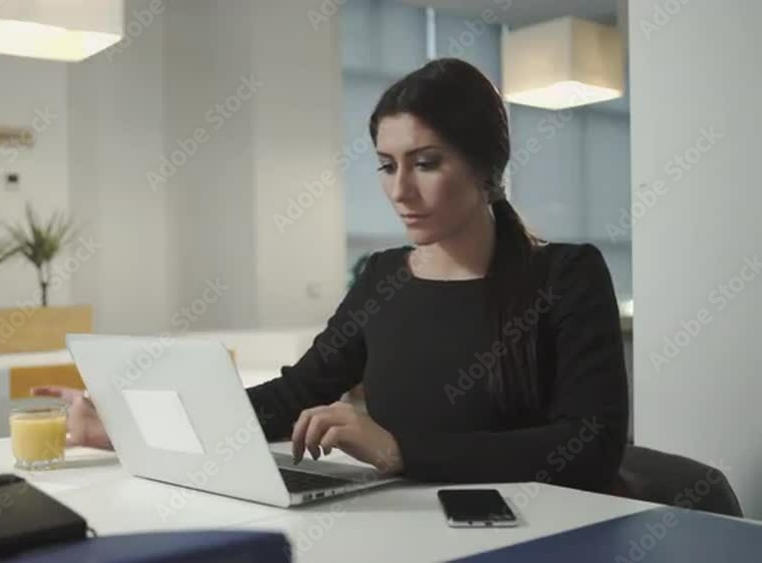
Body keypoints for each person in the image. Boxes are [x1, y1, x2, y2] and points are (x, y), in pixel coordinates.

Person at [34, 58, 629, 494]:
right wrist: (127, 425)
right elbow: (293, 396)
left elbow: (591, 446)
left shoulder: (567, 276)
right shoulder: (383, 277)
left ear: (487, 169)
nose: (400, 190)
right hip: (412, 530)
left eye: (426, 163)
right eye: (387, 165)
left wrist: (398, 451)